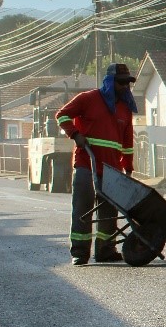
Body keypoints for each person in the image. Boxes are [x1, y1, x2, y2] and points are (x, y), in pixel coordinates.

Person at [56, 63, 137, 266]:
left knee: (109, 210)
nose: (125, 86)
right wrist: (75, 134)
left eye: (127, 83)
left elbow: (127, 142)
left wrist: (128, 166)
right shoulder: (88, 99)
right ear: (109, 81)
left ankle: (105, 250)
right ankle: (80, 252)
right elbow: (62, 115)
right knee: (82, 207)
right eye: (121, 82)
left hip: (112, 168)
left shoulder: (125, 109)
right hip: (87, 162)